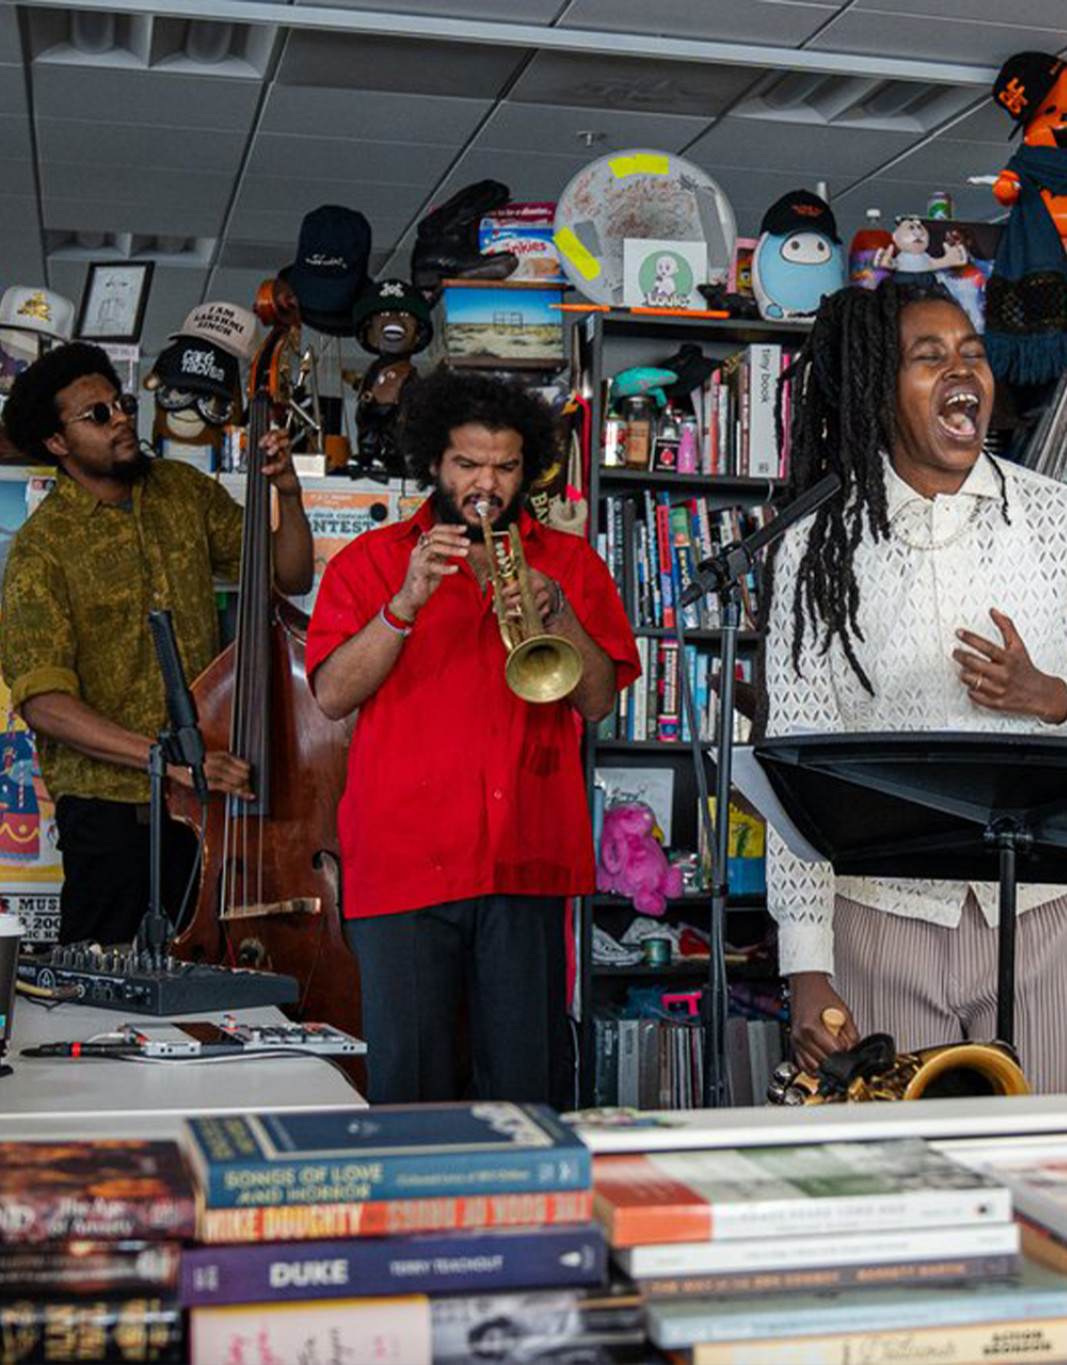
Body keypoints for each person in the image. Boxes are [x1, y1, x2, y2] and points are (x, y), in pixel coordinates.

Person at [769, 280, 1067, 1094]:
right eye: (929, 356)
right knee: (908, 1179)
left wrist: (1049, 695)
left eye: (972, 354)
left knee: (1057, 1165)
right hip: (882, 916)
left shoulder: (1061, 517)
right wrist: (805, 958)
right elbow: (795, 777)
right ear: (881, 388)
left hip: (1048, 910)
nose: (962, 372)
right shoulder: (817, 546)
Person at [306, 369, 637, 1104]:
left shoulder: (569, 564)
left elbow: (599, 700)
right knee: (411, 1087)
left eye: (506, 465)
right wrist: (405, 604)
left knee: (526, 1094)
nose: (487, 481)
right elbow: (330, 696)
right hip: (403, 863)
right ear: (434, 462)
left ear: (528, 469)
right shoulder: (371, 562)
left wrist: (556, 613)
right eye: (468, 463)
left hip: (526, 856)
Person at [0, 341, 312, 946]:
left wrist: (290, 496)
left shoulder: (182, 491)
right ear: (57, 444)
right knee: (101, 1002)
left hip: (207, 809)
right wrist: (164, 758)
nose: (120, 418)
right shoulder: (41, 551)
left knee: (216, 983)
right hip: (109, 814)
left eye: (120, 404)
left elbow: (289, 575)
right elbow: (45, 703)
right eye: (97, 415)